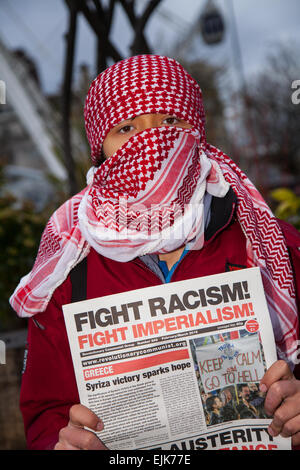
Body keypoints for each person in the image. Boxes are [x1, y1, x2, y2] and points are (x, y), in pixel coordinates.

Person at [9, 55, 300, 450]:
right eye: (126, 128)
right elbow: (46, 413)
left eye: (170, 122)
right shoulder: (66, 269)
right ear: (102, 151)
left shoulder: (275, 246)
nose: (150, 142)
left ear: (197, 131)